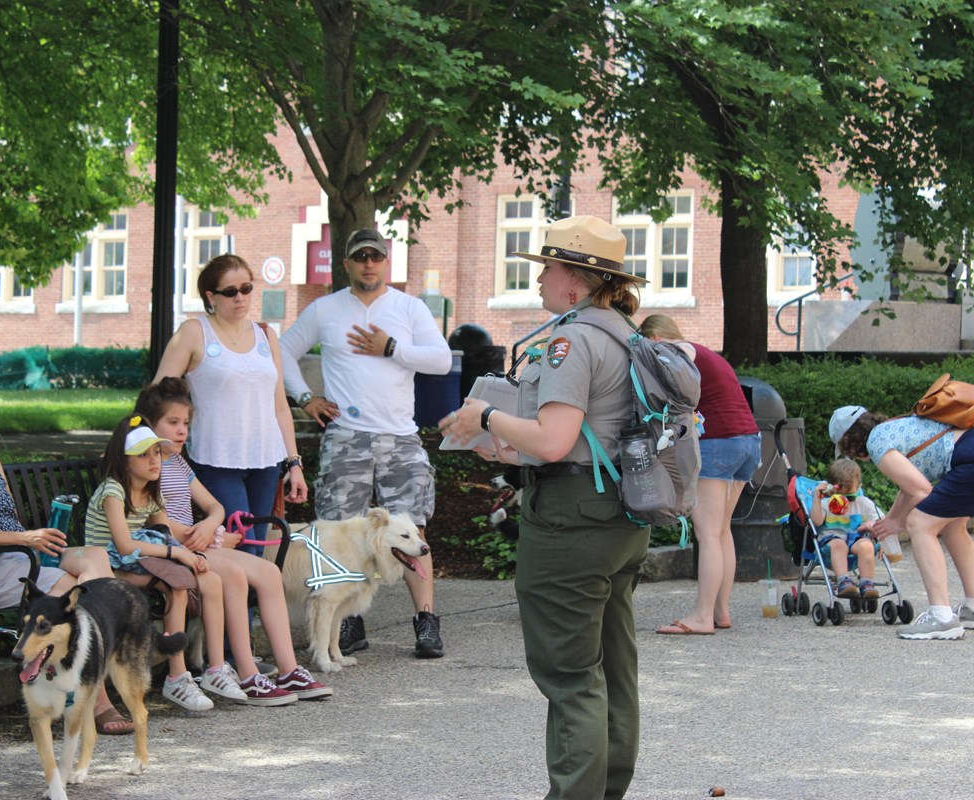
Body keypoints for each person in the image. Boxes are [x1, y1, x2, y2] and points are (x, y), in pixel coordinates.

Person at [439, 215, 649, 799]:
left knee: (571, 676)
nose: (539, 280)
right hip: (622, 513)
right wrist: (508, 441)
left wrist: (484, 417)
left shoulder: (571, 339)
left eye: (548, 268)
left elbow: (556, 441)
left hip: (571, 518)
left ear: (576, 282)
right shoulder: (628, 333)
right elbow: (580, 435)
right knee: (614, 667)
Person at [0, 387, 129, 734]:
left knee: (94, 559)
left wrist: (35, 542)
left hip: (21, 560)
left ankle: (82, 677)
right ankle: (96, 700)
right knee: (66, 594)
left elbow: (7, 522)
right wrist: (24, 539)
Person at [280, 227, 452, 659]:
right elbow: (281, 351)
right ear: (347, 264)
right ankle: (345, 625)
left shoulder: (408, 308)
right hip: (346, 438)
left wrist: (391, 347)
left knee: (414, 531)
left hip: (400, 438)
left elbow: (441, 359)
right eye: (360, 257)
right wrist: (305, 398)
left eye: (376, 256)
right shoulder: (325, 309)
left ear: (386, 261)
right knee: (339, 534)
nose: (369, 264)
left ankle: (426, 622)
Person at [135, 378, 332, 700]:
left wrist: (212, 525)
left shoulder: (179, 463)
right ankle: (247, 673)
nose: (182, 430)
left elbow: (214, 506)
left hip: (198, 542)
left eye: (185, 423)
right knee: (237, 574)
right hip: (173, 548)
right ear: (148, 425)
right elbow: (155, 521)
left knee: (268, 572)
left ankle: (289, 669)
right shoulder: (146, 465)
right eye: (173, 423)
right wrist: (205, 536)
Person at [84, 414, 295, 707]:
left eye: (157, 452)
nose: (154, 460)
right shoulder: (114, 490)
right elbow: (124, 544)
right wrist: (178, 554)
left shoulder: (150, 490)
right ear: (124, 460)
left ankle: (215, 669)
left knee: (208, 577)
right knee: (177, 585)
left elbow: (163, 532)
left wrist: (193, 555)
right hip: (112, 564)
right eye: (143, 455)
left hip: (140, 561)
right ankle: (177, 675)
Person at [152, 254, 307, 553]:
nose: (240, 298)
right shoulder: (194, 332)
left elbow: (279, 406)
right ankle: (239, 602)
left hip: (266, 459)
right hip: (217, 458)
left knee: (258, 547)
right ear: (211, 296)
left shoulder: (265, 334)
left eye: (246, 289)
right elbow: (158, 395)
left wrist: (294, 463)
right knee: (239, 547)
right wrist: (160, 440)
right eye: (230, 291)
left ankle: (249, 602)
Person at [640, 314, 760, 635]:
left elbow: (677, 370)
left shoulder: (680, 350)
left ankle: (702, 617)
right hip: (748, 441)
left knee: (707, 534)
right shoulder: (709, 354)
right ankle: (721, 611)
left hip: (718, 444)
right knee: (721, 531)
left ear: (654, 338)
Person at [830, 404, 974, 639]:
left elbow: (921, 490)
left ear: (850, 441)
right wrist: (891, 519)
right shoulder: (893, 428)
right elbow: (910, 487)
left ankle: (941, 616)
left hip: (968, 460)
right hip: (968, 454)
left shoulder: (877, 443)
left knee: (919, 523)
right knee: (953, 526)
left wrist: (898, 521)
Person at [809, 458, 879, 600]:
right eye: (840, 496)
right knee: (839, 544)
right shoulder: (826, 503)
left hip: (854, 538)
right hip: (831, 542)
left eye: (851, 496)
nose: (846, 501)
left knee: (866, 545)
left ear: (859, 487)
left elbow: (878, 520)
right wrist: (817, 498)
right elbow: (816, 521)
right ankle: (843, 581)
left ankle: (867, 583)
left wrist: (871, 526)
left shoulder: (862, 502)